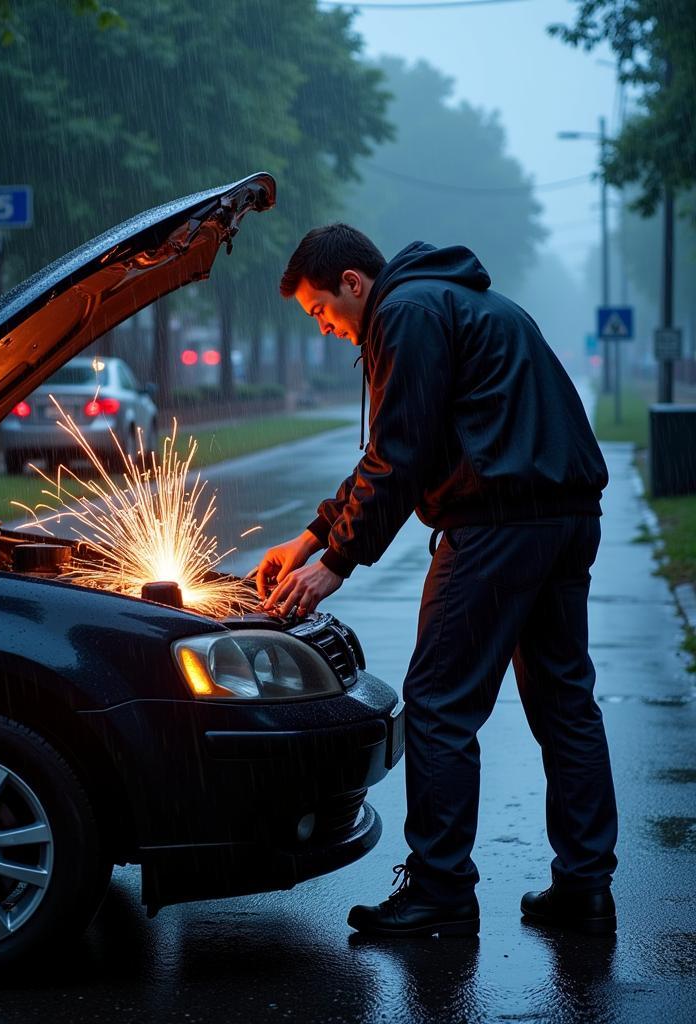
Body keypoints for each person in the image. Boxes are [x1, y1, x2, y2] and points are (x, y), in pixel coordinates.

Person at [255, 224, 618, 938]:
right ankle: (585, 886)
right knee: (565, 704)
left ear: (353, 284)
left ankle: (441, 890)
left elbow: (402, 453)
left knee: (437, 703)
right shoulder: (458, 302)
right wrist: (312, 536)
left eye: (320, 311)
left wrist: (336, 562)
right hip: (564, 514)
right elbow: (397, 448)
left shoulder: (407, 313)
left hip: (496, 524)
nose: (326, 330)